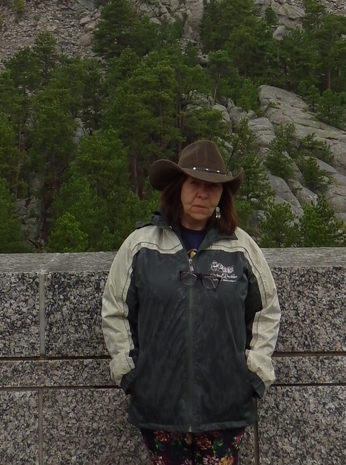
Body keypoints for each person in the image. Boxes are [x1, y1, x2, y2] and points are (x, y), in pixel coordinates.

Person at [102, 140, 280, 465]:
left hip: (225, 407)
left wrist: (254, 372)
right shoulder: (140, 246)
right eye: (194, 183)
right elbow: (116, 310)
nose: (202, 193)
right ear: (177, 188)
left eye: (212, 186)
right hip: (160, 407)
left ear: (222, 195)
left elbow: (266, 311)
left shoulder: (242, 248)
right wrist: (129, 372)